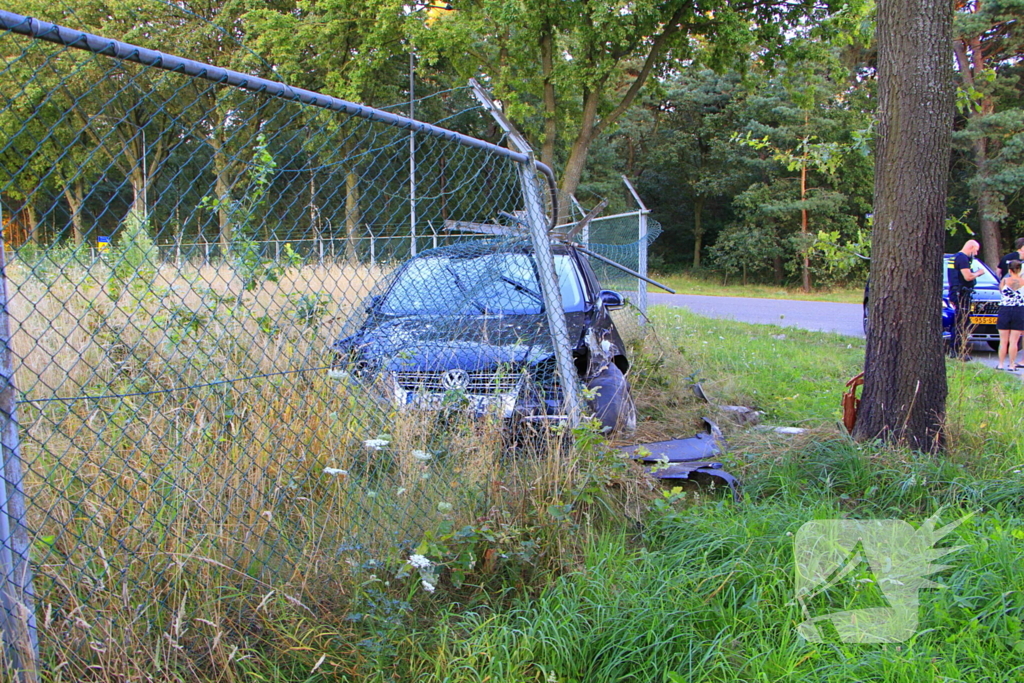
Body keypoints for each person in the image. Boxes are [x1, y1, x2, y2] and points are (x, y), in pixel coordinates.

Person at [948, 239, 983, 360]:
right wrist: (978, 273)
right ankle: (957, 351)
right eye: (976, 251)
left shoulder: (955, 257)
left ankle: (956, 350)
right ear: (971, 247)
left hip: (957, 292)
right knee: (961, 323)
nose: (976, 253)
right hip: (961, 294)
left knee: (960, 321)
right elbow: (968, 277)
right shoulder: (962, 258)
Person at [996, 259, 1024, 371]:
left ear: (1009, 270)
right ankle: (1012, 365)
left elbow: (1001, 291)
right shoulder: (1023, 281)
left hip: (1005, 310)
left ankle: (1001, 364)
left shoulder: (1004, 281)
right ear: (1020, 270)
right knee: (1014, 341)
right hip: (1019, 310)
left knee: (1003, 340)